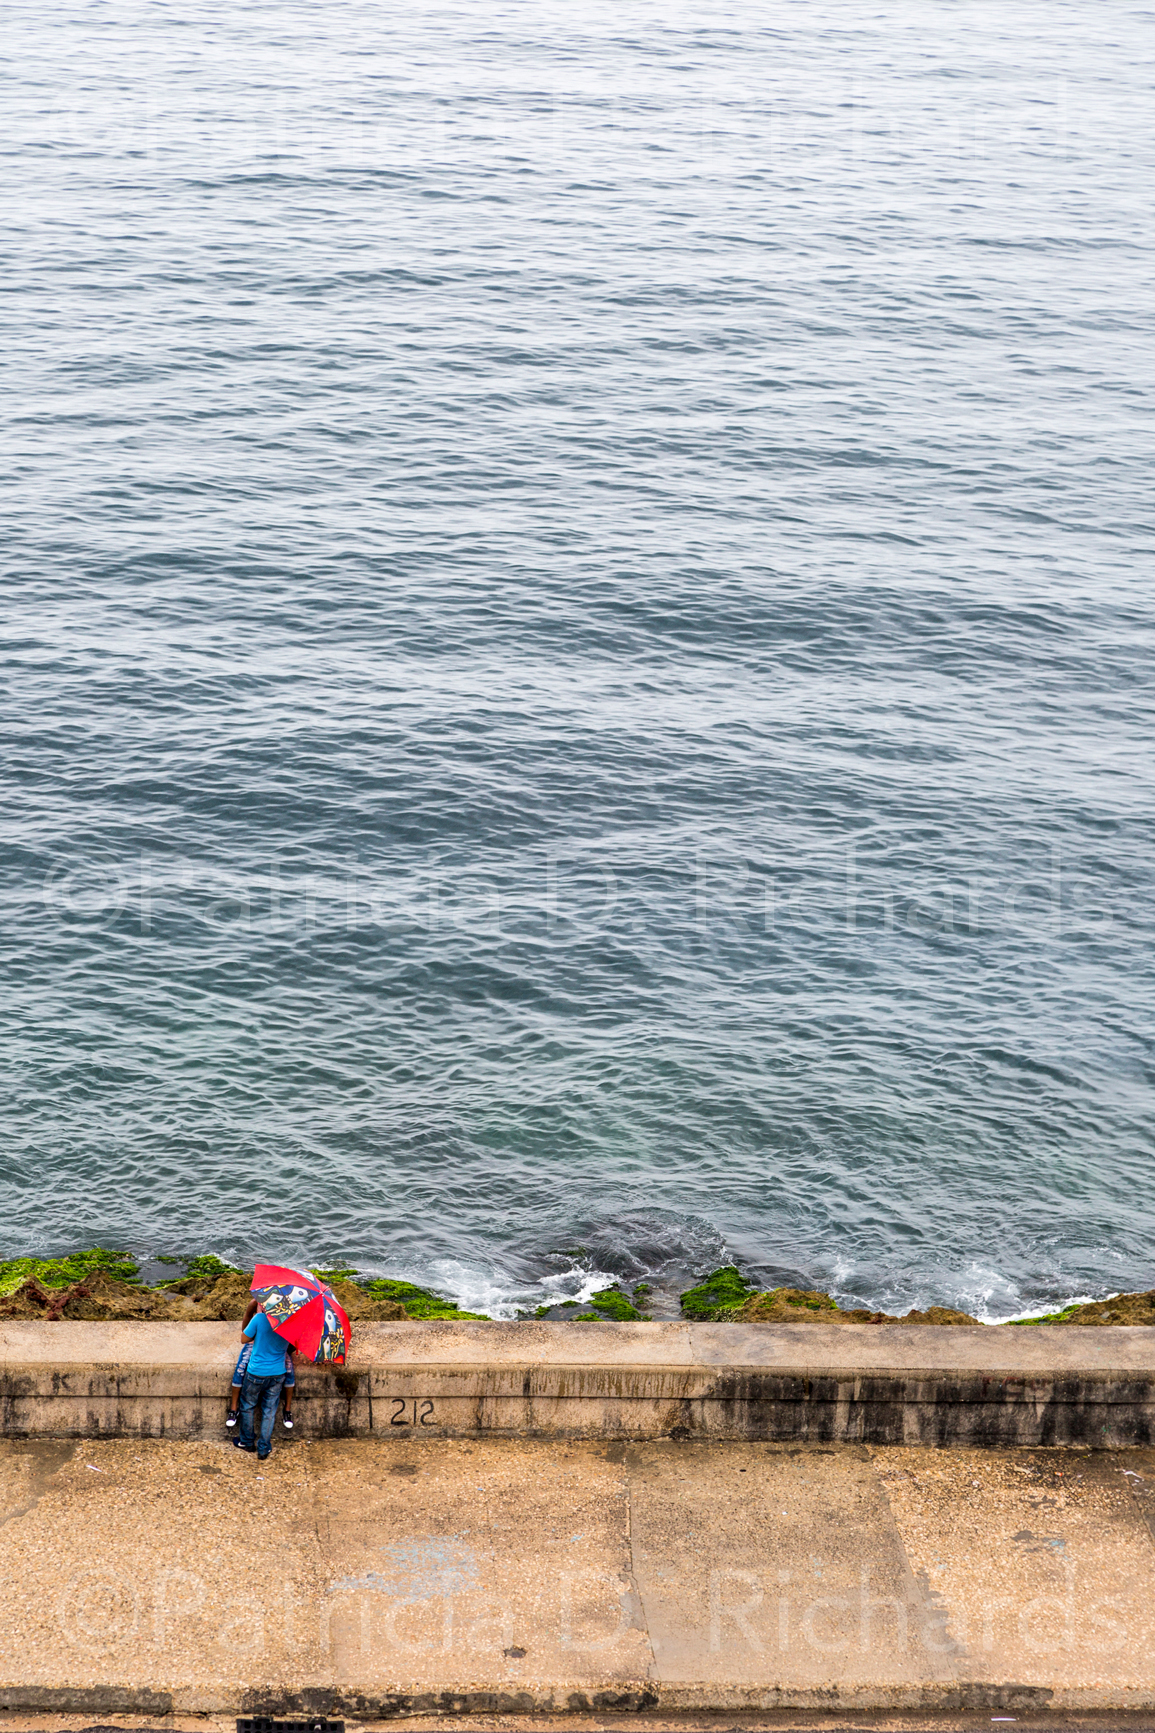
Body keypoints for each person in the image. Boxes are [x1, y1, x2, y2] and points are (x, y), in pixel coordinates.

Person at [234, 1300, 296, 1460]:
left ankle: (247, 1442)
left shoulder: (259, 1319)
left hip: (256, 1372)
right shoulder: (289, 1322)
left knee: (247, 1406)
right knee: (269, 1411)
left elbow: (243, 1339)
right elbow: (291, 1347)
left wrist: (250, 1312)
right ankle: (263, 1448)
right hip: (278, 1373)